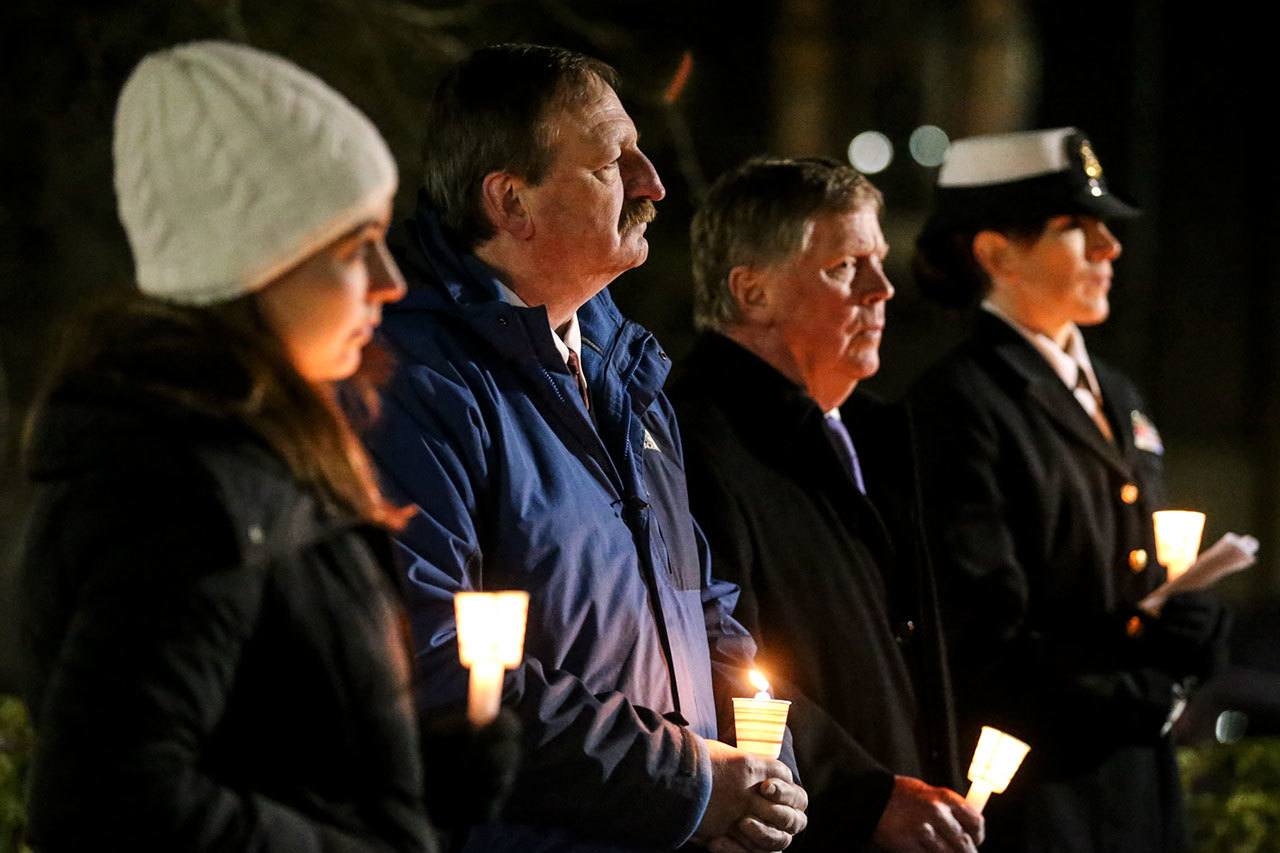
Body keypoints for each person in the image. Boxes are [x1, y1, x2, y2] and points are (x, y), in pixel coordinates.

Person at [363, 43, 808, 853]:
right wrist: (691, 783)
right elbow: (435, 665)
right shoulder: (415, 383)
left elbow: (700, 600)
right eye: (613, 161)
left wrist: (764, 763)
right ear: (512, 202)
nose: (653, 183)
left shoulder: (623, 367)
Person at [18, 41, 437, 851]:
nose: (392, 279)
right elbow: (105, 798)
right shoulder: (178, 492)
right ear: (255, 266)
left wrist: (433, 777)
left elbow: (269, 750)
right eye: (356, 247)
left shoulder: (251, 457)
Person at [908, 127, 1228, 852]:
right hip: (1046, 796)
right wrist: (1144, 688)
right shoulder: (962, 401)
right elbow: (985, 632)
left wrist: (1194, 624)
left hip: (1139, 783)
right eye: (1079, 231)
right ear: (995, 252)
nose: (1110, 250)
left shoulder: (1115, 392)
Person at [670, 156, 984, 853]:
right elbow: (723, 664)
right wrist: (864, 796)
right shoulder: (696, 443)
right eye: (847, 266)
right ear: (752, 291)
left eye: (878, 261)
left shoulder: (875, 435)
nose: (883, 288)